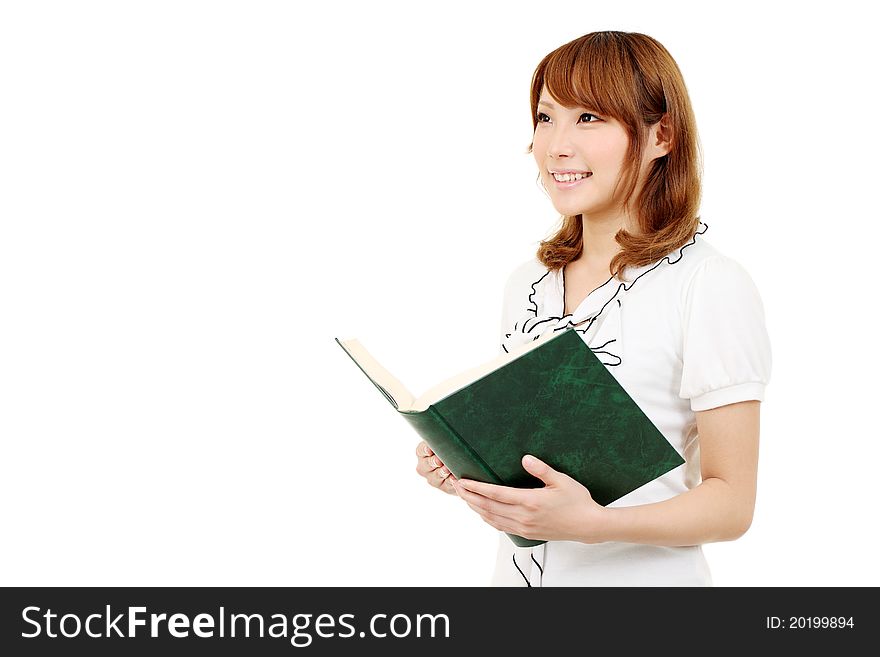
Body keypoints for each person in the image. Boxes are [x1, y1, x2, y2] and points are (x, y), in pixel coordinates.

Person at [415, 31, 771, 586]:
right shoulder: (528, 283)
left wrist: (593, 523)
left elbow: (732, 504)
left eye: (589, 118)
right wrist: (466, 467)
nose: (556, 145)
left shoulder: (707, 284)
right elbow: (537, 471)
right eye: (545, 117)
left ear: (662, 135)